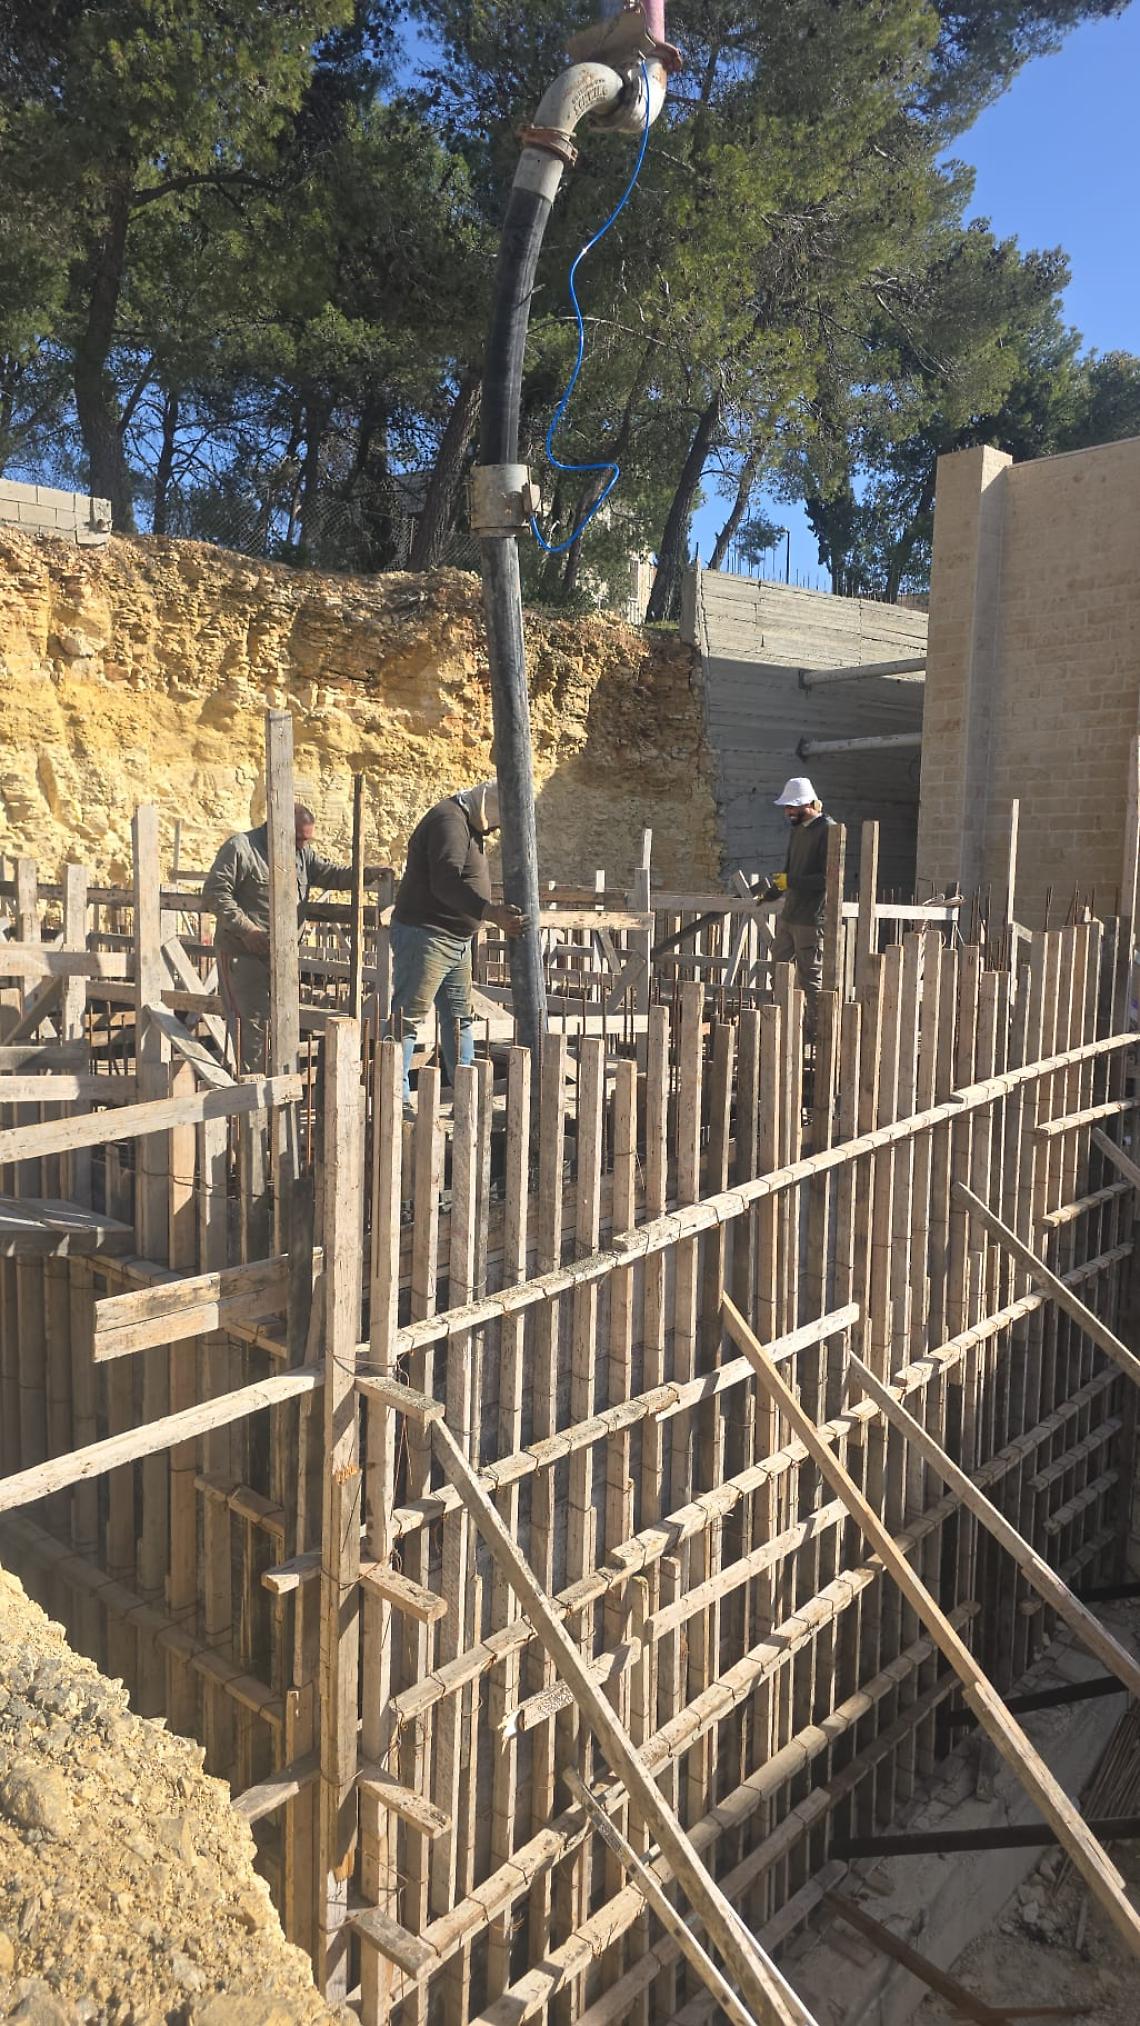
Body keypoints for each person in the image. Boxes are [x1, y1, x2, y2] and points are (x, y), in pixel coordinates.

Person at [203, 803, 387, 1072]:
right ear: (279, 828)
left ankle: (277, 1093)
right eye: (299, 839)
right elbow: (215, 893)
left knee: (283, 1026)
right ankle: (253, 1100)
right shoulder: (241, 848)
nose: (303, 845)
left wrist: (368, 873)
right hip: (243, 958)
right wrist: (247, 930)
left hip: (283, 958)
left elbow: (331, 875)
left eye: (306, 840)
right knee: (251, 1029)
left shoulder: (302, 854)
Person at [391, 780, 526, 1108]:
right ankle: (395, 1101)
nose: (495, 829)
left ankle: (467, 1097)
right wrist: (490, 912)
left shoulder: (468, 825)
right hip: (427, 935)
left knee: (458, 1017)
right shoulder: (449, 822)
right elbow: (446, 882)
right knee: (408, 1018)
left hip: (455, 939)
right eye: (495, 822)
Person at [770, 775, 835, 1039]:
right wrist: (775, 889)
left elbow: (828, 878)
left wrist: (791, 880)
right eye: (786, 808)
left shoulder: (829, 830)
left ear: (808, 804)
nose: (787, 812)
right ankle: (783, 1027)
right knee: (779, 970)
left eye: (791, 807)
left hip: (811, 917)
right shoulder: (797, 829)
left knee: (810, 978)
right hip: (791, 913)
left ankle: (815, 1033)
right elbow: (789, 868)